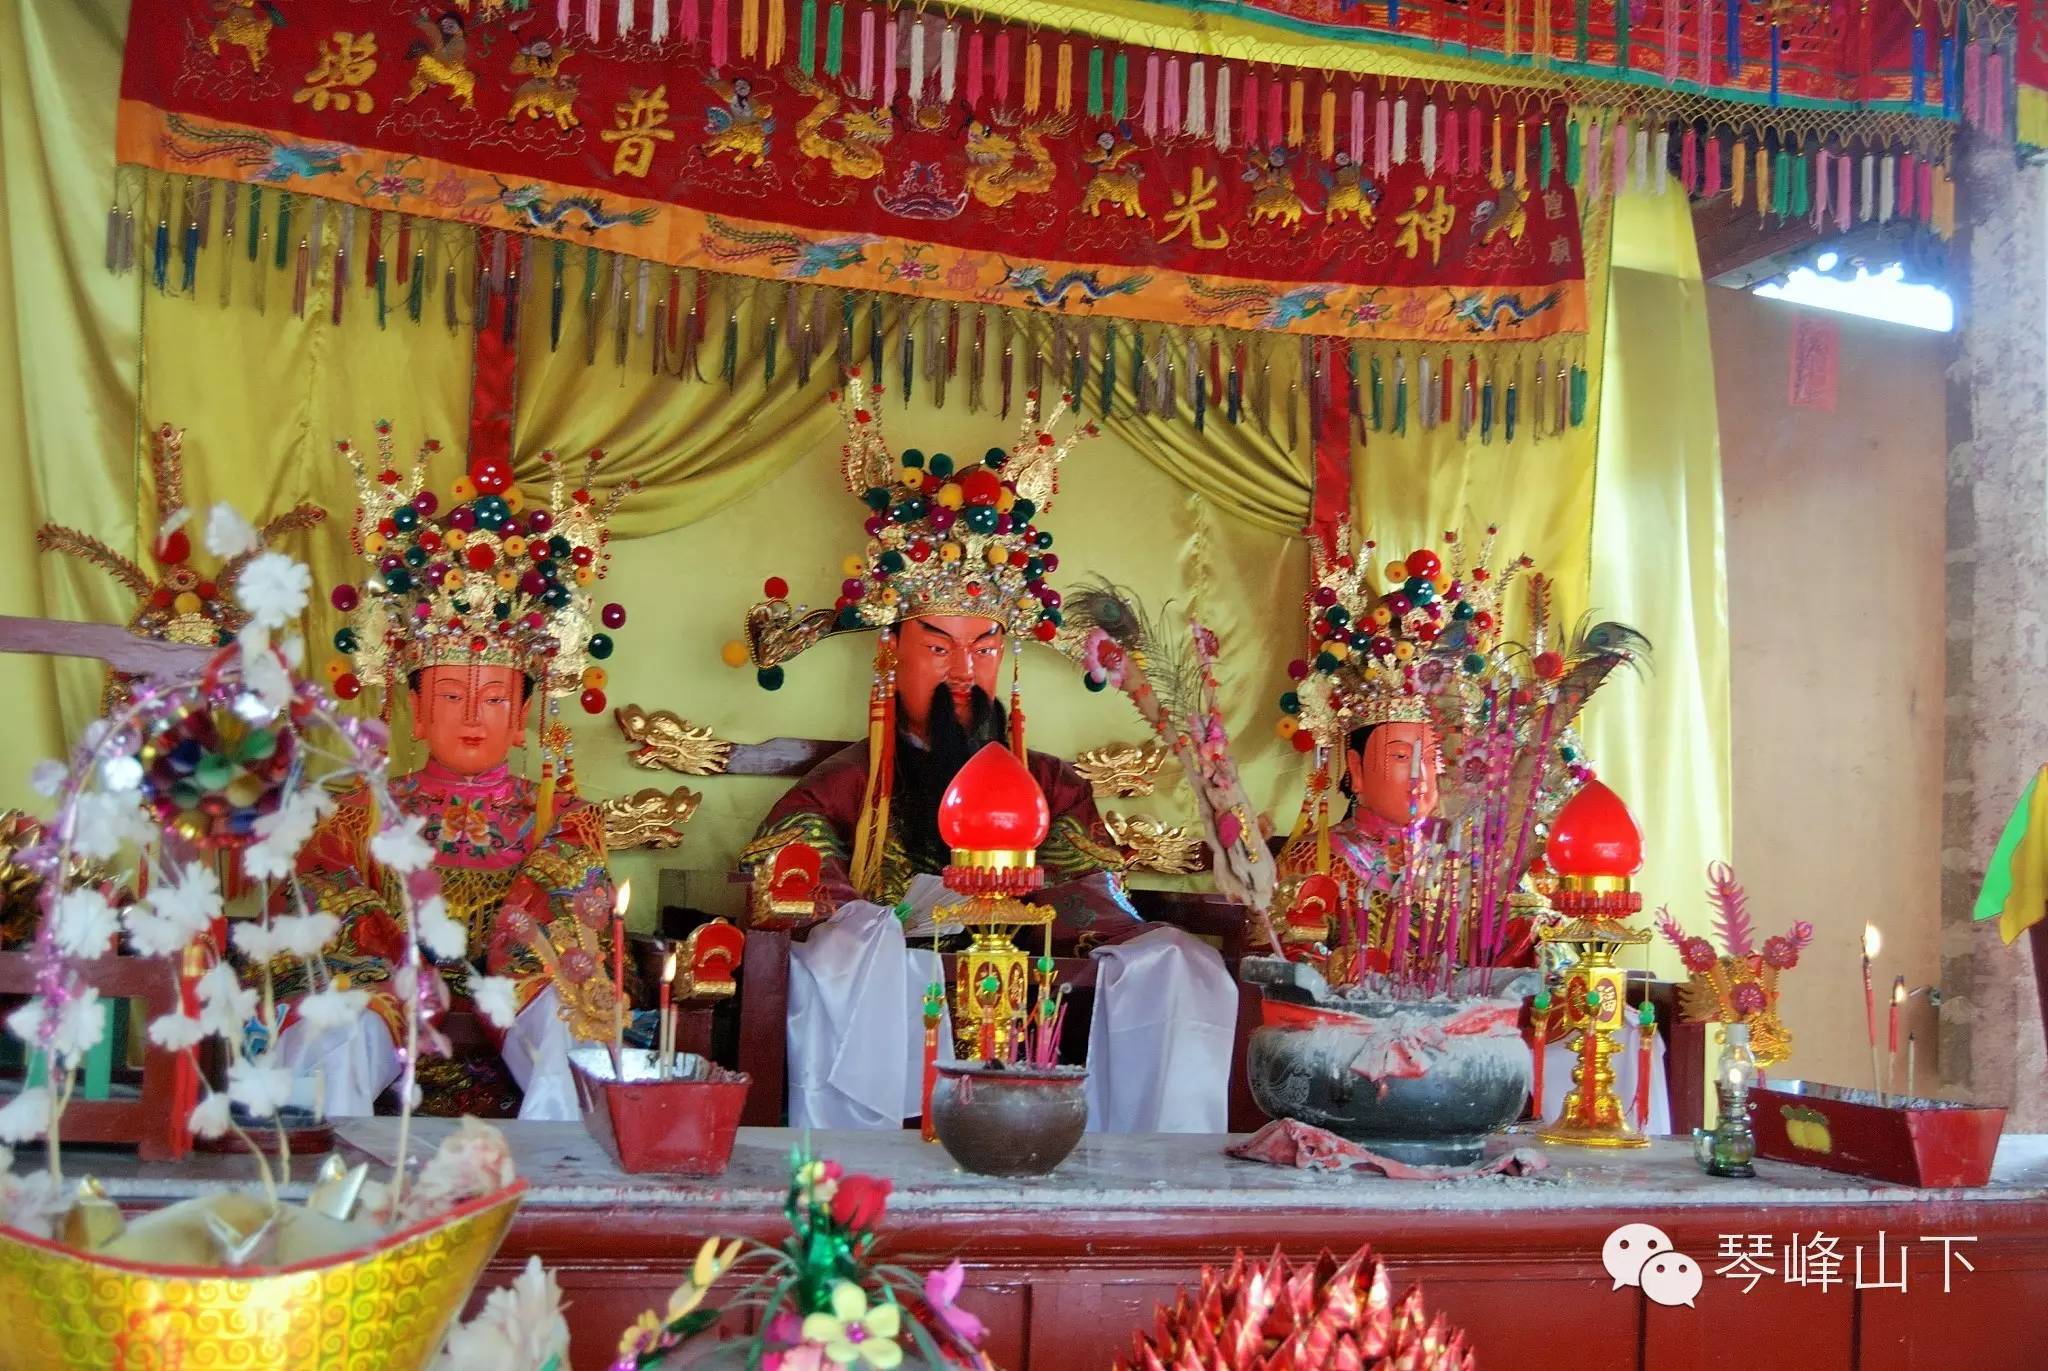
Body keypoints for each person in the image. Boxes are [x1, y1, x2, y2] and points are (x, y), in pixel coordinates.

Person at [736, 374, 1236, 1133]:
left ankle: (1152, 1167)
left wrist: (1012, 907)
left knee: (1183, 964)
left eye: (984, 646)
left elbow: (1093, 891)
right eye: (938, 647)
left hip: (1040, 1007)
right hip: (908, 999)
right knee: (851, 952)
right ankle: (867, 1155)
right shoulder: (847, 785)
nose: (963, 671)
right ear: (892, 652)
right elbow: (791, 880)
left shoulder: (1049, 784)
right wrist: (895, 914)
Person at [262, 437, 634, 1120]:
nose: (472, 716)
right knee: (333, 1024)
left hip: (516, 999)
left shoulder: (559, 817)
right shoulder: (358, 813)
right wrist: (394, 956)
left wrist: (512, 959)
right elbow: (319, 900)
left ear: (522, 717)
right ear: (415, 713)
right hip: (387, 992)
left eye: (494, 698)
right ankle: (333, 1193)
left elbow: (576, 921)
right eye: (451, 697)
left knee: (574, 1023)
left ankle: (556, 1194)